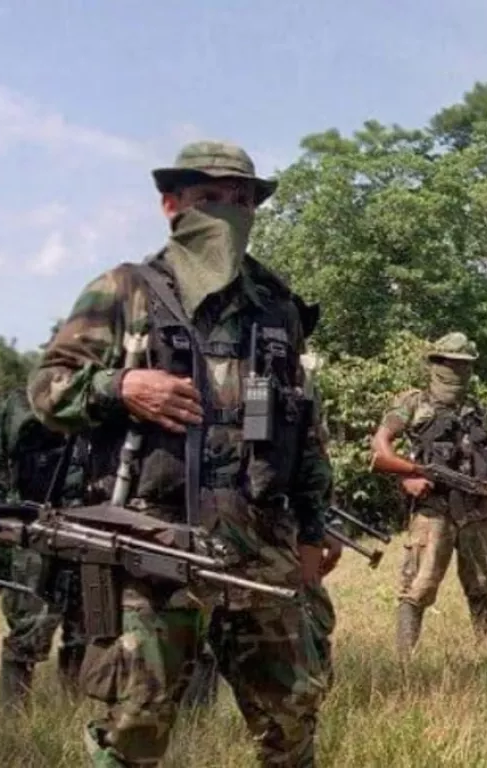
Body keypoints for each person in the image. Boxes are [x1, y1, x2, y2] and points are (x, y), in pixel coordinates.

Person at [28, 141, 338, 766]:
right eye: (208, 199)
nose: (227, 211)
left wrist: (313, 525)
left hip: (261, 541)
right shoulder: (125, 291)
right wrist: (120, 386)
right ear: (171, 205)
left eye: (240, 200)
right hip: (152, 541)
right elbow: (45, 391)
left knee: (291, 719)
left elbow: (304, 425)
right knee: (136, 722)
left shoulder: (277, 308)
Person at [370, 333, 487, 653]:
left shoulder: (473, 408)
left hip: (477, 509)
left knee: (483, 584)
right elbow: (380, 450)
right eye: (451, 363)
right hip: (433, 509)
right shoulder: (413, 402)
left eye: (464, 365)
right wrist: (408, 477)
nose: (458, 371)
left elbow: (486, 456)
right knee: (418, 587)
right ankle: (404, 660)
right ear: (436, 364)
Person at [0, 387, 88, 703]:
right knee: (28, 625)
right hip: (35, 525)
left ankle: (74, 710)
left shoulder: (105, 398)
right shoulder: (21, 401)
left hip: (92, 527)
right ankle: (15, 718)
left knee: (85, 627)